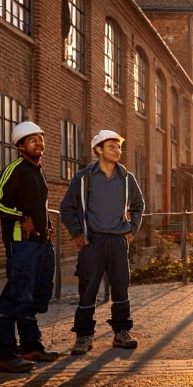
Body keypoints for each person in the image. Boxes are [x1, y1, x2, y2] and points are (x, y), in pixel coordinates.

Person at [0, 121, 62, 373]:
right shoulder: (15, 170)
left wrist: (46, 223)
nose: (38, 143)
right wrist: (20, 217)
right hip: (22, 244)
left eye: (40, 138)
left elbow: (38, 204)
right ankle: (5, 355)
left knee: (36, 296)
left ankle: (30, 347)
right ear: (20, 146)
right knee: (16, 296)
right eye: (32, 140)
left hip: (41, 244)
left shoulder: (37, 170)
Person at [59, 129, 146, 355]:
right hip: (93, 242)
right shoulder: (83, 177)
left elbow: (139, 205)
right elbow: (66, 208)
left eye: (119, 147)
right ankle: (83, 336)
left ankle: (121, 333)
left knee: (121, 287)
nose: (117, 151)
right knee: (88, 288)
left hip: (117, 241)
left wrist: (133, 230)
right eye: (111, 147)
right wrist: (78, 234)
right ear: (98, 150)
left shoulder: (127, 178)